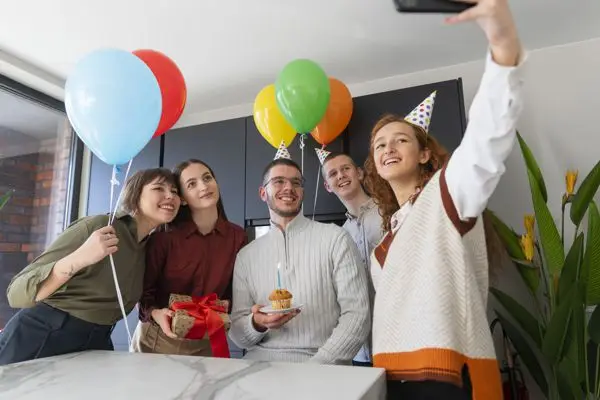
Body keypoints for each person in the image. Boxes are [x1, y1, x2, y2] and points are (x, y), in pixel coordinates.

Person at [364, 0, 525, 398]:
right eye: (379, 143)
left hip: (447, 376)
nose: (388, 147)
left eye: (401, 139)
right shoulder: (386, 237)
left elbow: (486, 140)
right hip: (392, 376)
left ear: (423, 154)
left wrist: (503, 47)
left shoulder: (445, 193)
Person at [0, 168, 180, 365]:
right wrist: (80, 258)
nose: (170, 196)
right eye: (158, 188)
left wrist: (155, 312)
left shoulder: (149, 247)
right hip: (43, 336)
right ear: (135, 193)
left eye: (175, 191)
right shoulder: (100, 226)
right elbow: (16, 292)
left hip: (96, 341)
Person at [229, 147, 370, 364]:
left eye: (296, 183)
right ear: (262, 192)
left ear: (303, 191)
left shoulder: (335, 238)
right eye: (278, 181)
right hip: (259, 367)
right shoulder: (246, 256)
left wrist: (317, 366)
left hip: (323, 366)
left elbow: (357, 315)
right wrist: (257, 323)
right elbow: (238, 335)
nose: (289, 188)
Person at [133, 159, 247, 356]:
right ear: (182, 198)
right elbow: (144, 294)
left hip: (208, 338)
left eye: (207, 178)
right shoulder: (163, 238)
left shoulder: (238, 237)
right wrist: (155, 313)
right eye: (192, 184)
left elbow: (238, 290)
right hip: (160, 338)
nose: (204, 186)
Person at [318, 149, 384, 367]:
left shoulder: (389, 213)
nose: (341, 176)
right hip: (361, 350)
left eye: (346, 169)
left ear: (360, 173)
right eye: (333, 173)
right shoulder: (340, 235)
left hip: (395, 337)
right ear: (328, 186)